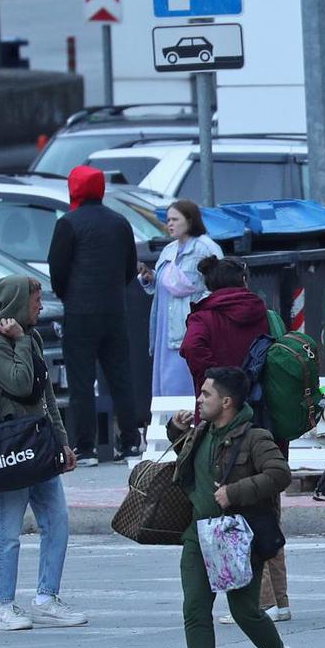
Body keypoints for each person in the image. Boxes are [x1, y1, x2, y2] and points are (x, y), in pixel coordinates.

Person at [166, 367, 294, 648]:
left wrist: (235, 492)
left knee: (244, 611)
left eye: (206, 394)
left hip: (237, 536)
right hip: (199, 534)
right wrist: (176, 429)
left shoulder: (255, 438)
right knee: (195, 606)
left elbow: (280, 474)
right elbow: (187, 461)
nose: (199, 399)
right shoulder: (201, 432)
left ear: (226, 402)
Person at [0, 275, 84, 632]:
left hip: (40, 444)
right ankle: (5, 605)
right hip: (11, 447)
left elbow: (45, 396)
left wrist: (62, 441)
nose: (40, 307)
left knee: (56, 520)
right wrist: (22, 342)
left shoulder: (31, 337)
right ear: (17, 303)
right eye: (35, 300)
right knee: (8, 528)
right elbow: (21, 384)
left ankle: (46, 598)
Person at [47, 165, 142, 464]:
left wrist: (66, 294)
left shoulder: (68, 223)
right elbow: (130, 267)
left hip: (79, 312)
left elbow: (57, 269)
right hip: (114, 310)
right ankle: (130, 442)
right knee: (121, 378)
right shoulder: (119, 222)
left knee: (81, 381)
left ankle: (85, 447)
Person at [139, 199, 222, 398]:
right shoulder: (169, 250)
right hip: (165, 332)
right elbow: (163, 287)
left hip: (188, 329)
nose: (170, 224)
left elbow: (217, 287)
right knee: (167, 388)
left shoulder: (206, 248)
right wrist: (150, 278)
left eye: (175, 219)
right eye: (168, 220)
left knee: (185, 386)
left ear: (190, 220)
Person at [180, 257, 271, 396]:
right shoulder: (262, 312)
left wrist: (213, 383)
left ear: (210, 285)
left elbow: (191, 347)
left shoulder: (202, 317)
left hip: (218, 402)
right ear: (244, 281)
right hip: (259, 398)